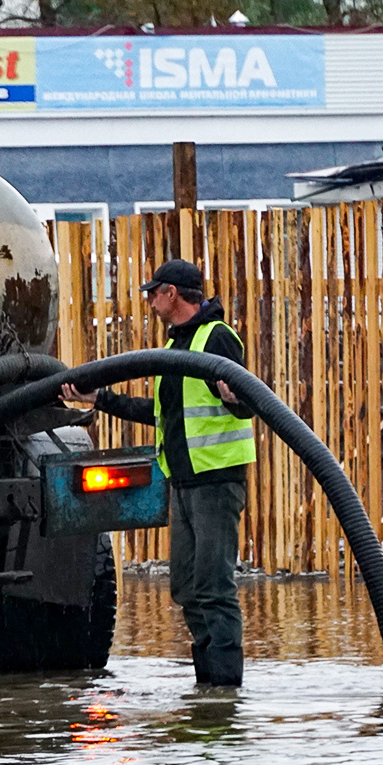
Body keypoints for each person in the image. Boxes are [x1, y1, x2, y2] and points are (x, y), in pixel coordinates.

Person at [63, 258, 256, 687]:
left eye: (153, 293)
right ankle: (207, 688)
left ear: (172, 293)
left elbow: (245, 402)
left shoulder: (216, 338)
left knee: (213, 586)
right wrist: (102, 398)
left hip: (216, 480)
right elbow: (163, 413)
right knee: (186, 587)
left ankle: (224, 690)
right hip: (184, 482)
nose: (149, 301)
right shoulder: (174, 349)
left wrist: (235, 398)